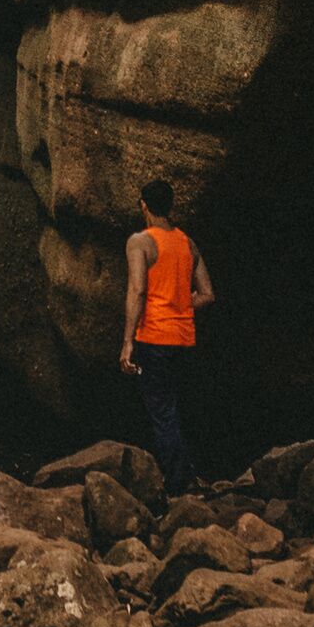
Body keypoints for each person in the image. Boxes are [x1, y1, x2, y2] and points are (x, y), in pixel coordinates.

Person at [121, 175, 213, 491]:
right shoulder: (187, 243)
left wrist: (127, 342)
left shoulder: (140, 242)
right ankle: (190, 474)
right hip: (184, 339)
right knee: (178, 410)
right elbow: (207, 294)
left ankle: (178, 485)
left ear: (143, 205)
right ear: (171, 207)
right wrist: (179, 302)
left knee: (162, 413)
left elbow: (137, 289)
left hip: (154, 338)